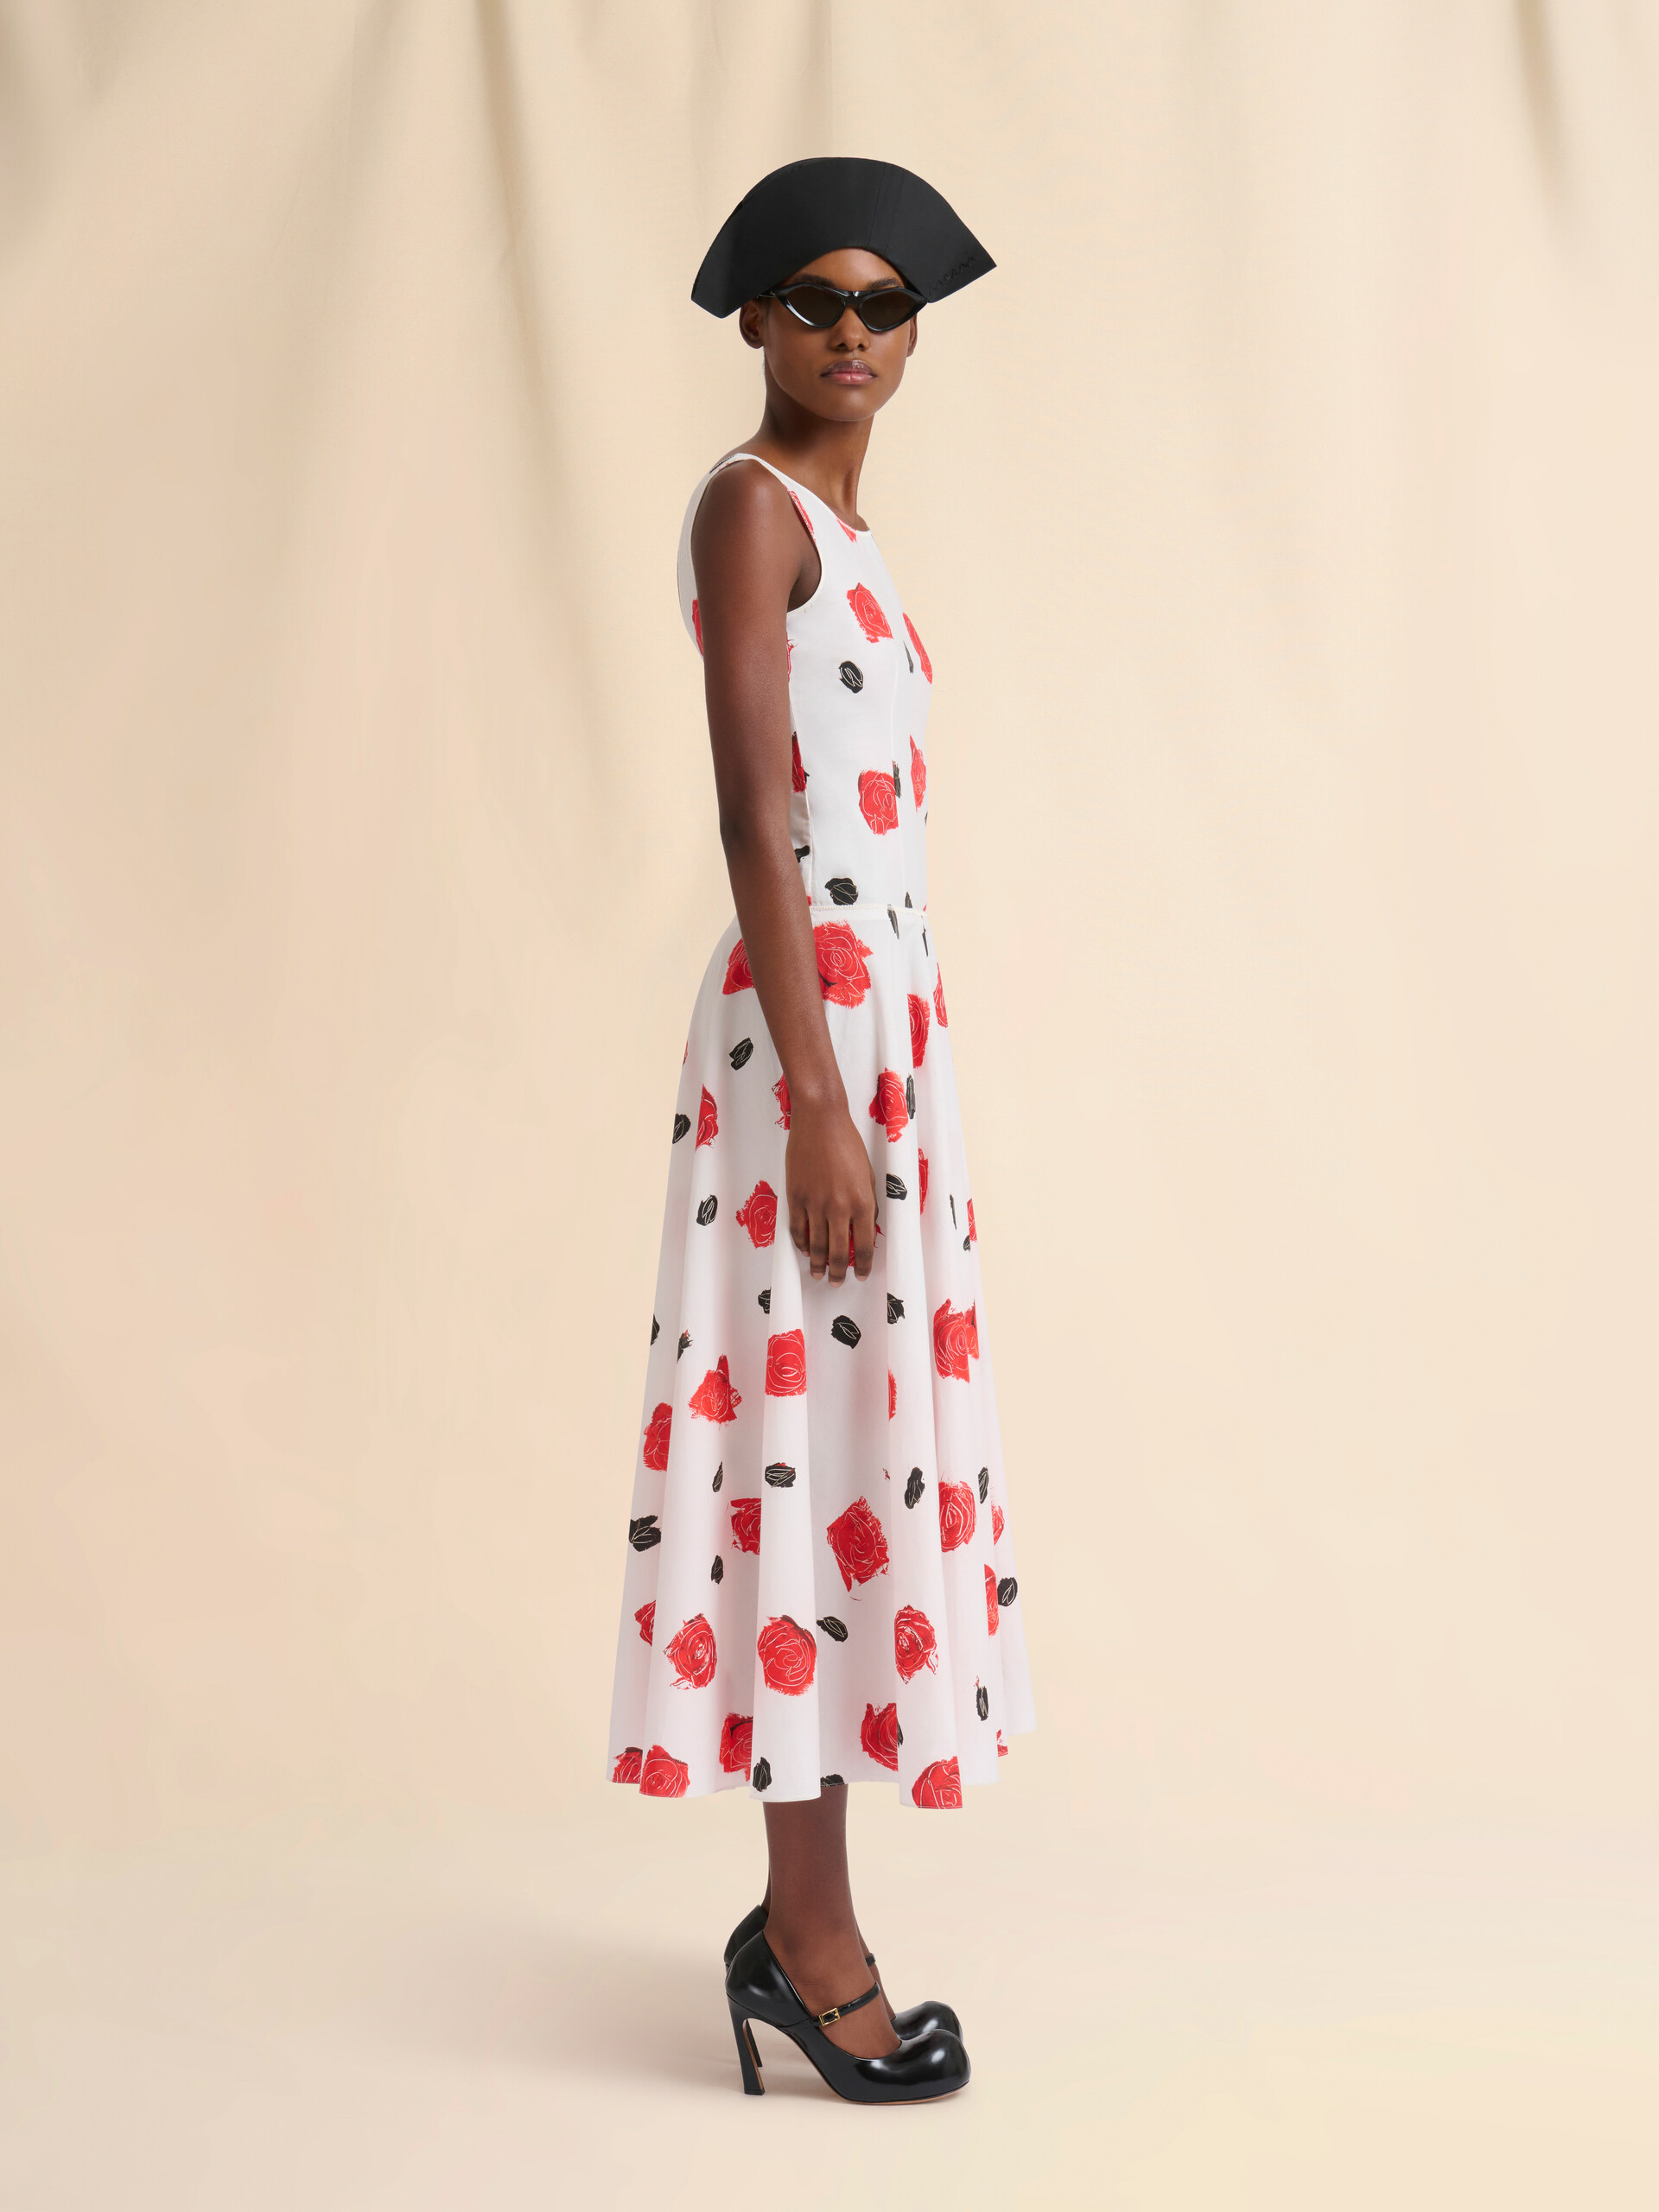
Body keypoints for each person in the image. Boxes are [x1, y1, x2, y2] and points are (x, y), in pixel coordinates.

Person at [607, 159, 1034, 2106]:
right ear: (755, 323)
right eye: (812, 299)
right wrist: (817, 1102)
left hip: (880, 1042)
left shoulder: (851, 536)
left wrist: (878, 1085)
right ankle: (811, 1939)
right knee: (802, 1456)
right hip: (813, 1052)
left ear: (915, 331)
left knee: (845, 1453)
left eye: (882, 302)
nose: (850, 330)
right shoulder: (748, 506)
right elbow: (754, 817)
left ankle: (804, 1922)